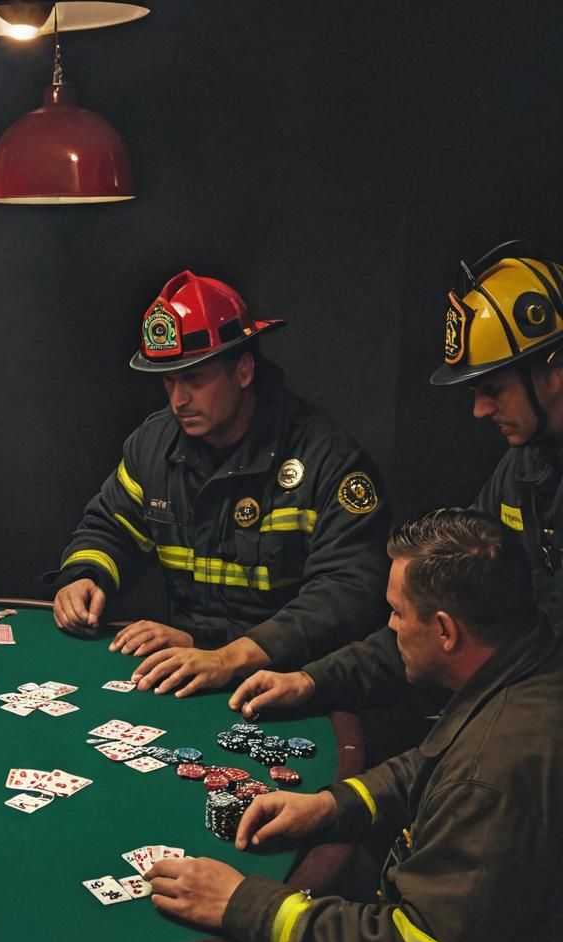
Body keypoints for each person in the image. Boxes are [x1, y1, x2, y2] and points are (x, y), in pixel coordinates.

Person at [149, 508, 563, 942]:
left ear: (445, 632)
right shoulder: (530, 667)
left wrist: (240, 903)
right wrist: (330, 803)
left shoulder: (493, 769)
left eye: (397, 613)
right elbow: (435, 765)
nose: (388, 627)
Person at [230, 242, 563, 721]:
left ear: (553, 370)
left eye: (493, 389)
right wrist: (313, 680)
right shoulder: (523, 466)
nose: (479, 410)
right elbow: (431, 617)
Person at [49, 269, 392, 696]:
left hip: (286, 685)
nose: (179, 400)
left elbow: (348, 595)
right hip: (186, 668)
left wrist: (228, 656)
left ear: (244, 370)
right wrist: (84, 576)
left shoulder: (328, 460)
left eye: (194, 379)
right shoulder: (152, 446)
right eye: (169, 381)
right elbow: (110, 527)